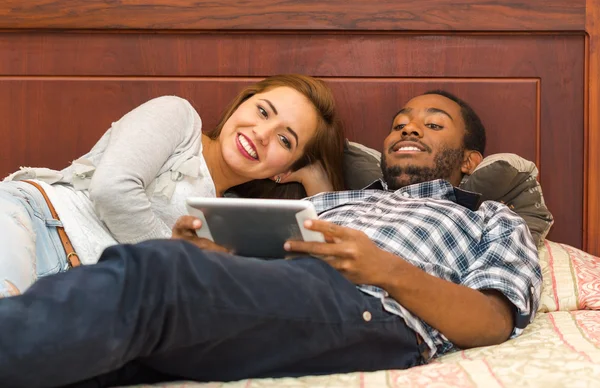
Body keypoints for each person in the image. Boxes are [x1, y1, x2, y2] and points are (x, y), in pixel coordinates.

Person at [0, 91, 542, 387]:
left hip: (371, 308)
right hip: (271, 292)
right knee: (104, 353)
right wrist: (207, 251)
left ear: (470, 160)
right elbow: (249, 269)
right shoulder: (333, 202)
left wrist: (386, 270)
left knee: (155, 275)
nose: (407, 129)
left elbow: (495, 321)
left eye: (432, 123)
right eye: (400, 122)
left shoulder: (491, 216)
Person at [0, 74, 345, 297]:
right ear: (241, 104)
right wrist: (177, 257)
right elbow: (112, 190)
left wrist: (313, 175)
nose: (261, 133)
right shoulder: (179, 118)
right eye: (263, 112)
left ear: (283, 172)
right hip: (36, 221)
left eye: (285, 141)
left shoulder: (234, 224)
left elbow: (310, 258)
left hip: (79, 288)